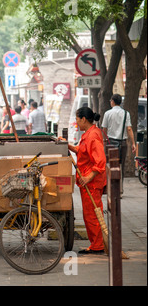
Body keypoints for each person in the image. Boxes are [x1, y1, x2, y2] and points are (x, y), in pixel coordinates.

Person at [62, 107, 106, 255]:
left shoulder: (93, 135)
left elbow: (100, 161)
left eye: (77, 119)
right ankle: (96, 243)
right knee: (89, 214)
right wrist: (66, 145)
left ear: (83, 119)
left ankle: (98, 245)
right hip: (87, 182)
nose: (76, 122)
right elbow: (81, 151)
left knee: (93, 214)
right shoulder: (88, 134)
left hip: (91, 183)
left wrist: (89, 177)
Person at [101, 93, 136, 189]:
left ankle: (110, 187)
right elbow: (129, 129)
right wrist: (133, 143)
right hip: (122, 143)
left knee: (110, 165)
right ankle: (119, 188)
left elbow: (104, 129)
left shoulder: (107, 113)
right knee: (120, 165)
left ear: (112, 101)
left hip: (110, 143)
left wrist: (104, 140)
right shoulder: (126, 113)